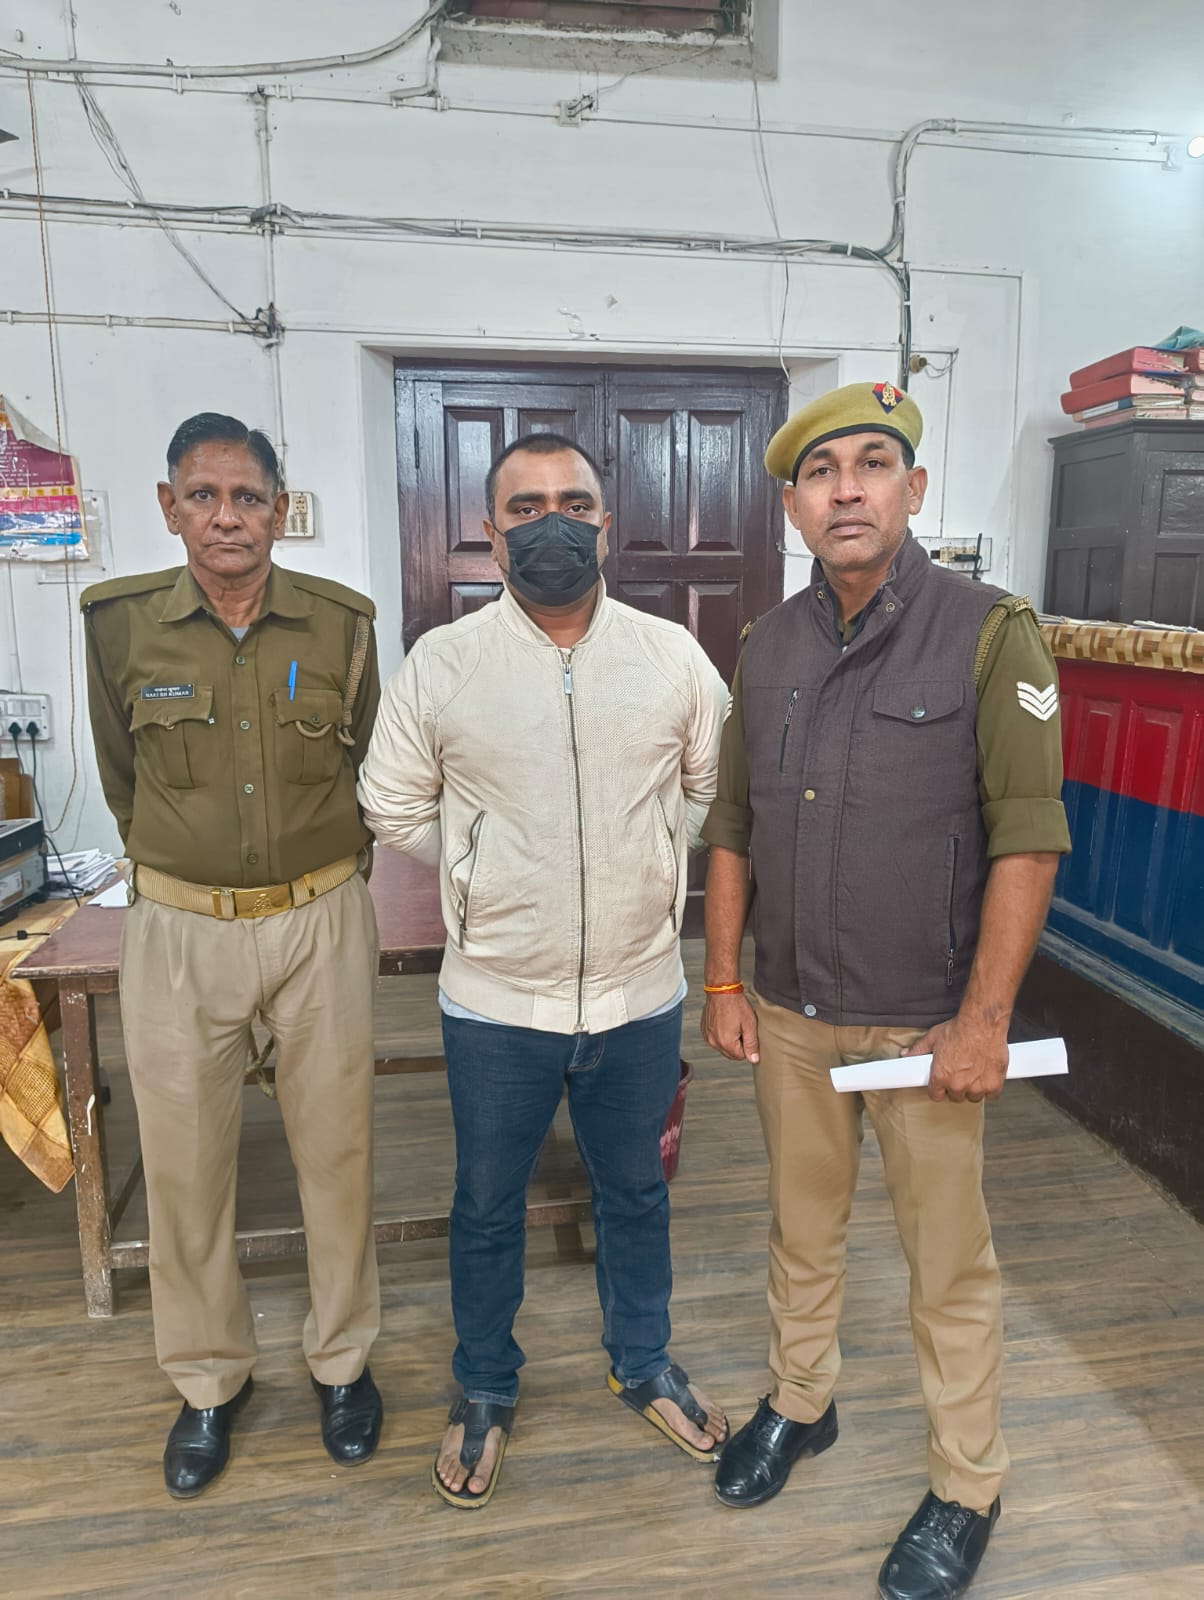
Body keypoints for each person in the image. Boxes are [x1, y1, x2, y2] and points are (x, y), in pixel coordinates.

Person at [700, 382, 1071, 1600]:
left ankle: (967, 1483)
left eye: (871, 464)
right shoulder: (766, 647)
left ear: (912, 489)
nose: (845, 489)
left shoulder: (988, 631)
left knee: (946, 1264)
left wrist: (983, 1021)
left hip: (925, 1026)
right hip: (792, 1010)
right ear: (793, 505)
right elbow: (734, 825)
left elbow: (1027, 837)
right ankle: (800, 1401)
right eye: (820, 472)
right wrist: (722, 975)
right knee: (799, 1230)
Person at [358, 432, 731, 1508]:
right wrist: (484, 866)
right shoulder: (444, 663)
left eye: (573, 502)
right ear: (493, 531)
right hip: (495, 1003)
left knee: (636, 1193)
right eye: (526, 508)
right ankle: (484, 1384)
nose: (551, 523)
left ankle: (643, 1360)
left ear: (605, 524)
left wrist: (648, 856)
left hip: (639, 993)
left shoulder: (670, 656)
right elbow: (389, 801)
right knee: (485, 1203)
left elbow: (712, 788)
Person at [83, 413, 384, 1499]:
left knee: (337, 1152)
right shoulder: (119, 625)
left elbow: (367, 767)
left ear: (279, 510)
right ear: (169, 507)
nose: (226, 517)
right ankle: (209, 1378)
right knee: (184, 1164)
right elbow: (122, 779)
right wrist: (187, 869)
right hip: (179, 929)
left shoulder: (343, 626)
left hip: (319, 919)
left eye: (248, 497)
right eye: (203, 496)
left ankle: (342, 1361)